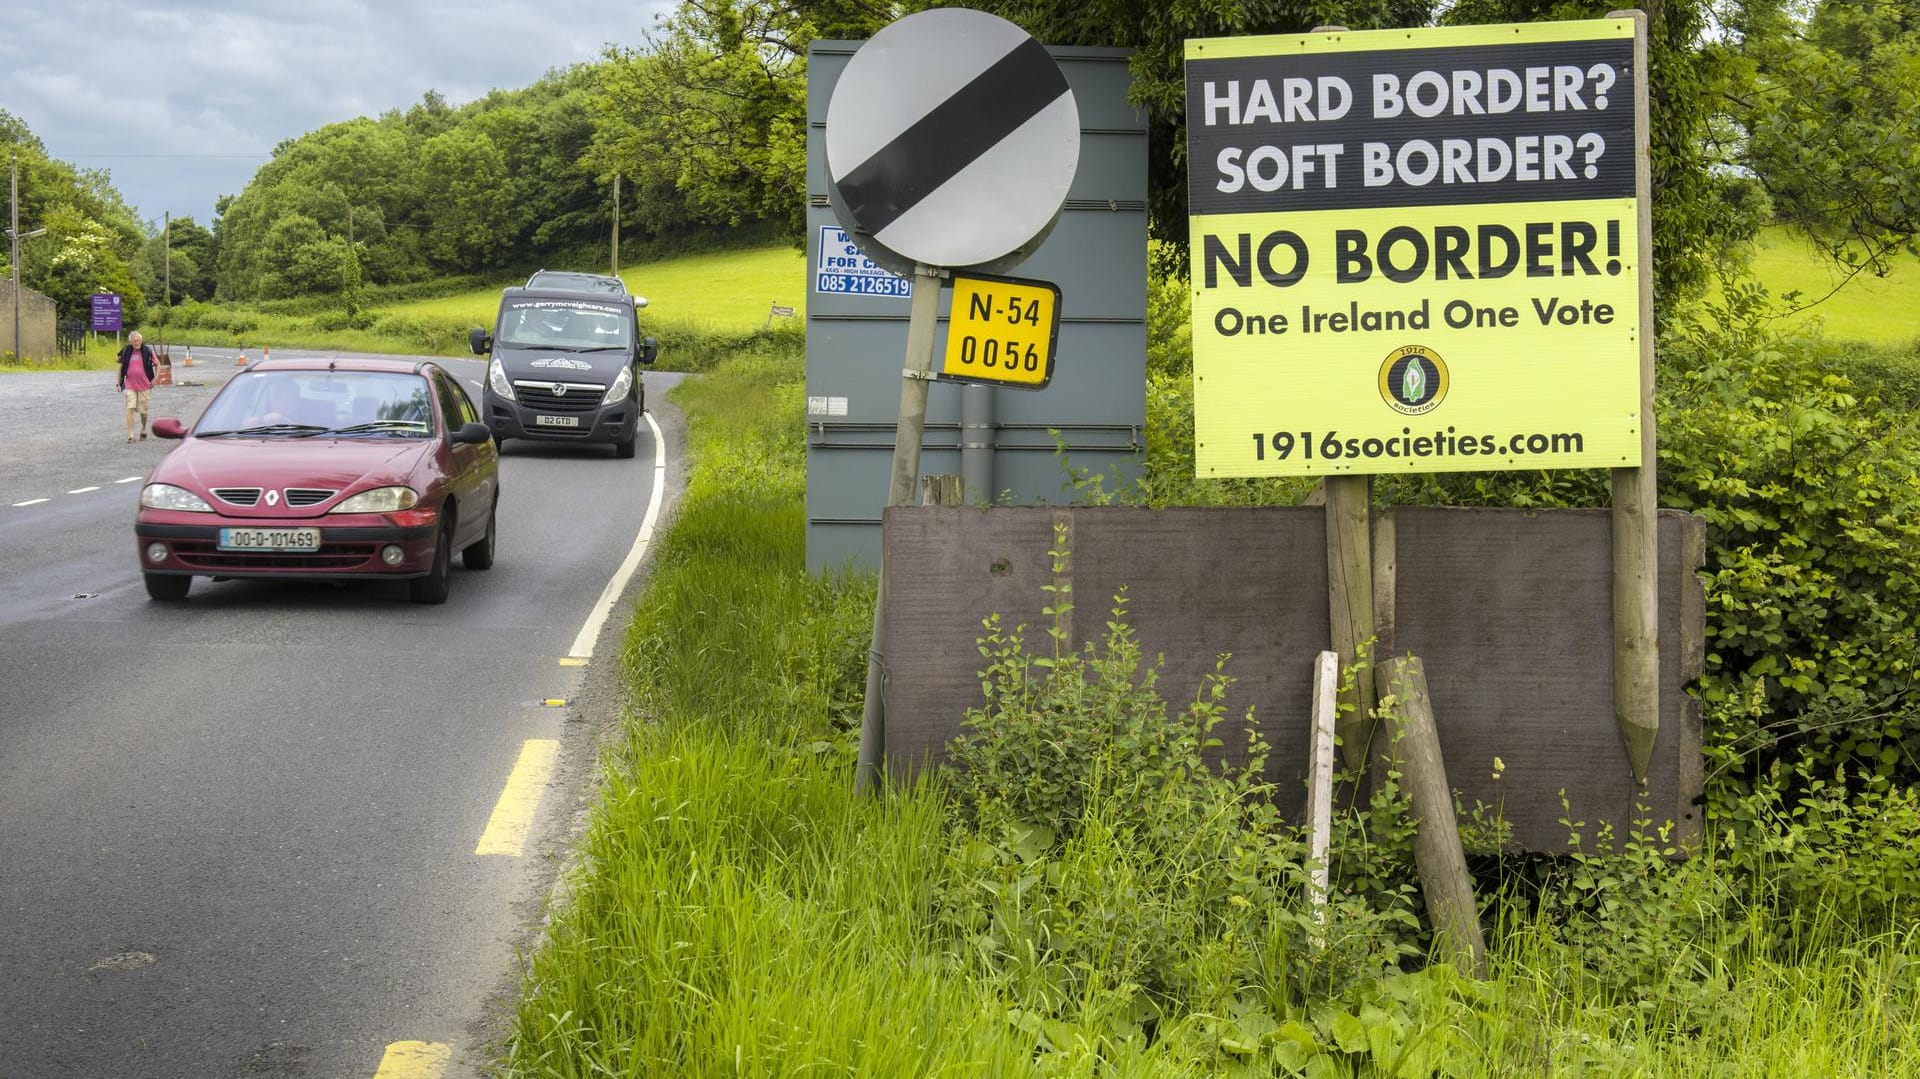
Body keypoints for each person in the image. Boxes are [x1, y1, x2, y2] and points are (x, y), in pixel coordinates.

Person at [116, 332, 157, 442]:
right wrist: (118, 383)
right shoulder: (126, 351)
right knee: (130, 408)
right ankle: (131, 435)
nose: (136, 342)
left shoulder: (147, 351)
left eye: (138, 340)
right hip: (130, 385)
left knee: (143, 411)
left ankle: (143, 428)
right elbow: (120, 368)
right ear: (131, 342)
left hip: (145, 386)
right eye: (134, 340)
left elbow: (158, 364)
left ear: (141, 341)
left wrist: (155, 379)